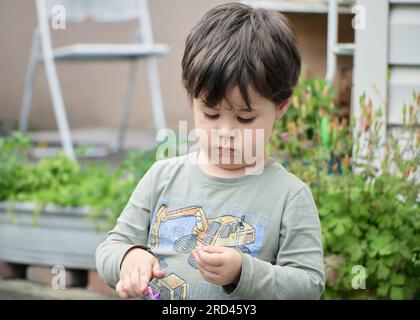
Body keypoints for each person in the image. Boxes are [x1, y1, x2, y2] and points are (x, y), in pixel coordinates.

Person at [96, 2, 324, 300]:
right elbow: (110, 250)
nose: (225, 132)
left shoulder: (289, 196)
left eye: (245, 118)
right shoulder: (162, 177)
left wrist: (244, 272)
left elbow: (308, 285)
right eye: (211, 114)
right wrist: (129, 258)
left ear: (281, 105)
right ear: (192, 98)